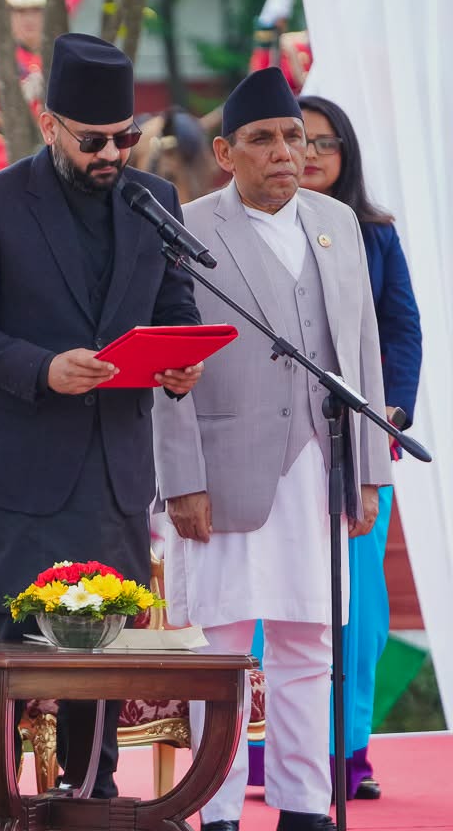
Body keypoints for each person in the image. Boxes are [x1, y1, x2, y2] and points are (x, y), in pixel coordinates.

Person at [0, 32, 203, 805]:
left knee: (100, 661)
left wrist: (179, 366)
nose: (113, 154)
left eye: (127, 137)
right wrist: (43, 368)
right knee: (12, 663)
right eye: (95, 141)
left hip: (115, 473)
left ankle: (92, 806)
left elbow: (173, 307)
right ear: (50, 123)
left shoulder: (155, 202)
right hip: (22, 472)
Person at [152, 68, 393, 831]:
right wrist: (180, 479)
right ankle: (216, 811)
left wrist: (367, 473)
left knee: (309, 643)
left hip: (319, 466)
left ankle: (302, 806)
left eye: (295, 136)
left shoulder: (337, 223)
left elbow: (362, 350)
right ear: (226, 151)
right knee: (218, 649)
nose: (285, 152)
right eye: (263, 139)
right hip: (222, 474)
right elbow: (167, 367)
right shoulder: (187, 226)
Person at [299, 93, 421, 801]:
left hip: (363, 443)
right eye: (297, 139)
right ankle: (270, 746)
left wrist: (392, 410)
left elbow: (403, 328)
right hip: (278, 449)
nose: (309, 154)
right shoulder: (257, 230)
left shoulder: (375, 233)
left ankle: (348, 751)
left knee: (362, 610)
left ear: (347, 154)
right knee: (283, 604)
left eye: (325, 142)